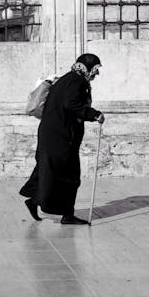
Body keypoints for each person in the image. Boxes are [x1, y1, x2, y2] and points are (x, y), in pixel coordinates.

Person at [20, 53, 105, 225]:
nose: (96, 74)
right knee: (67, 175)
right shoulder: (77, 81)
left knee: (50, 170)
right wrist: (94, 114)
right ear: (87, 67)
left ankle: (41, 203)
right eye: (95, 69)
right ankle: (63, 213)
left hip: (53, 135)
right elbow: (71, 105)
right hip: (61, 137)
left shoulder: (67, 79)